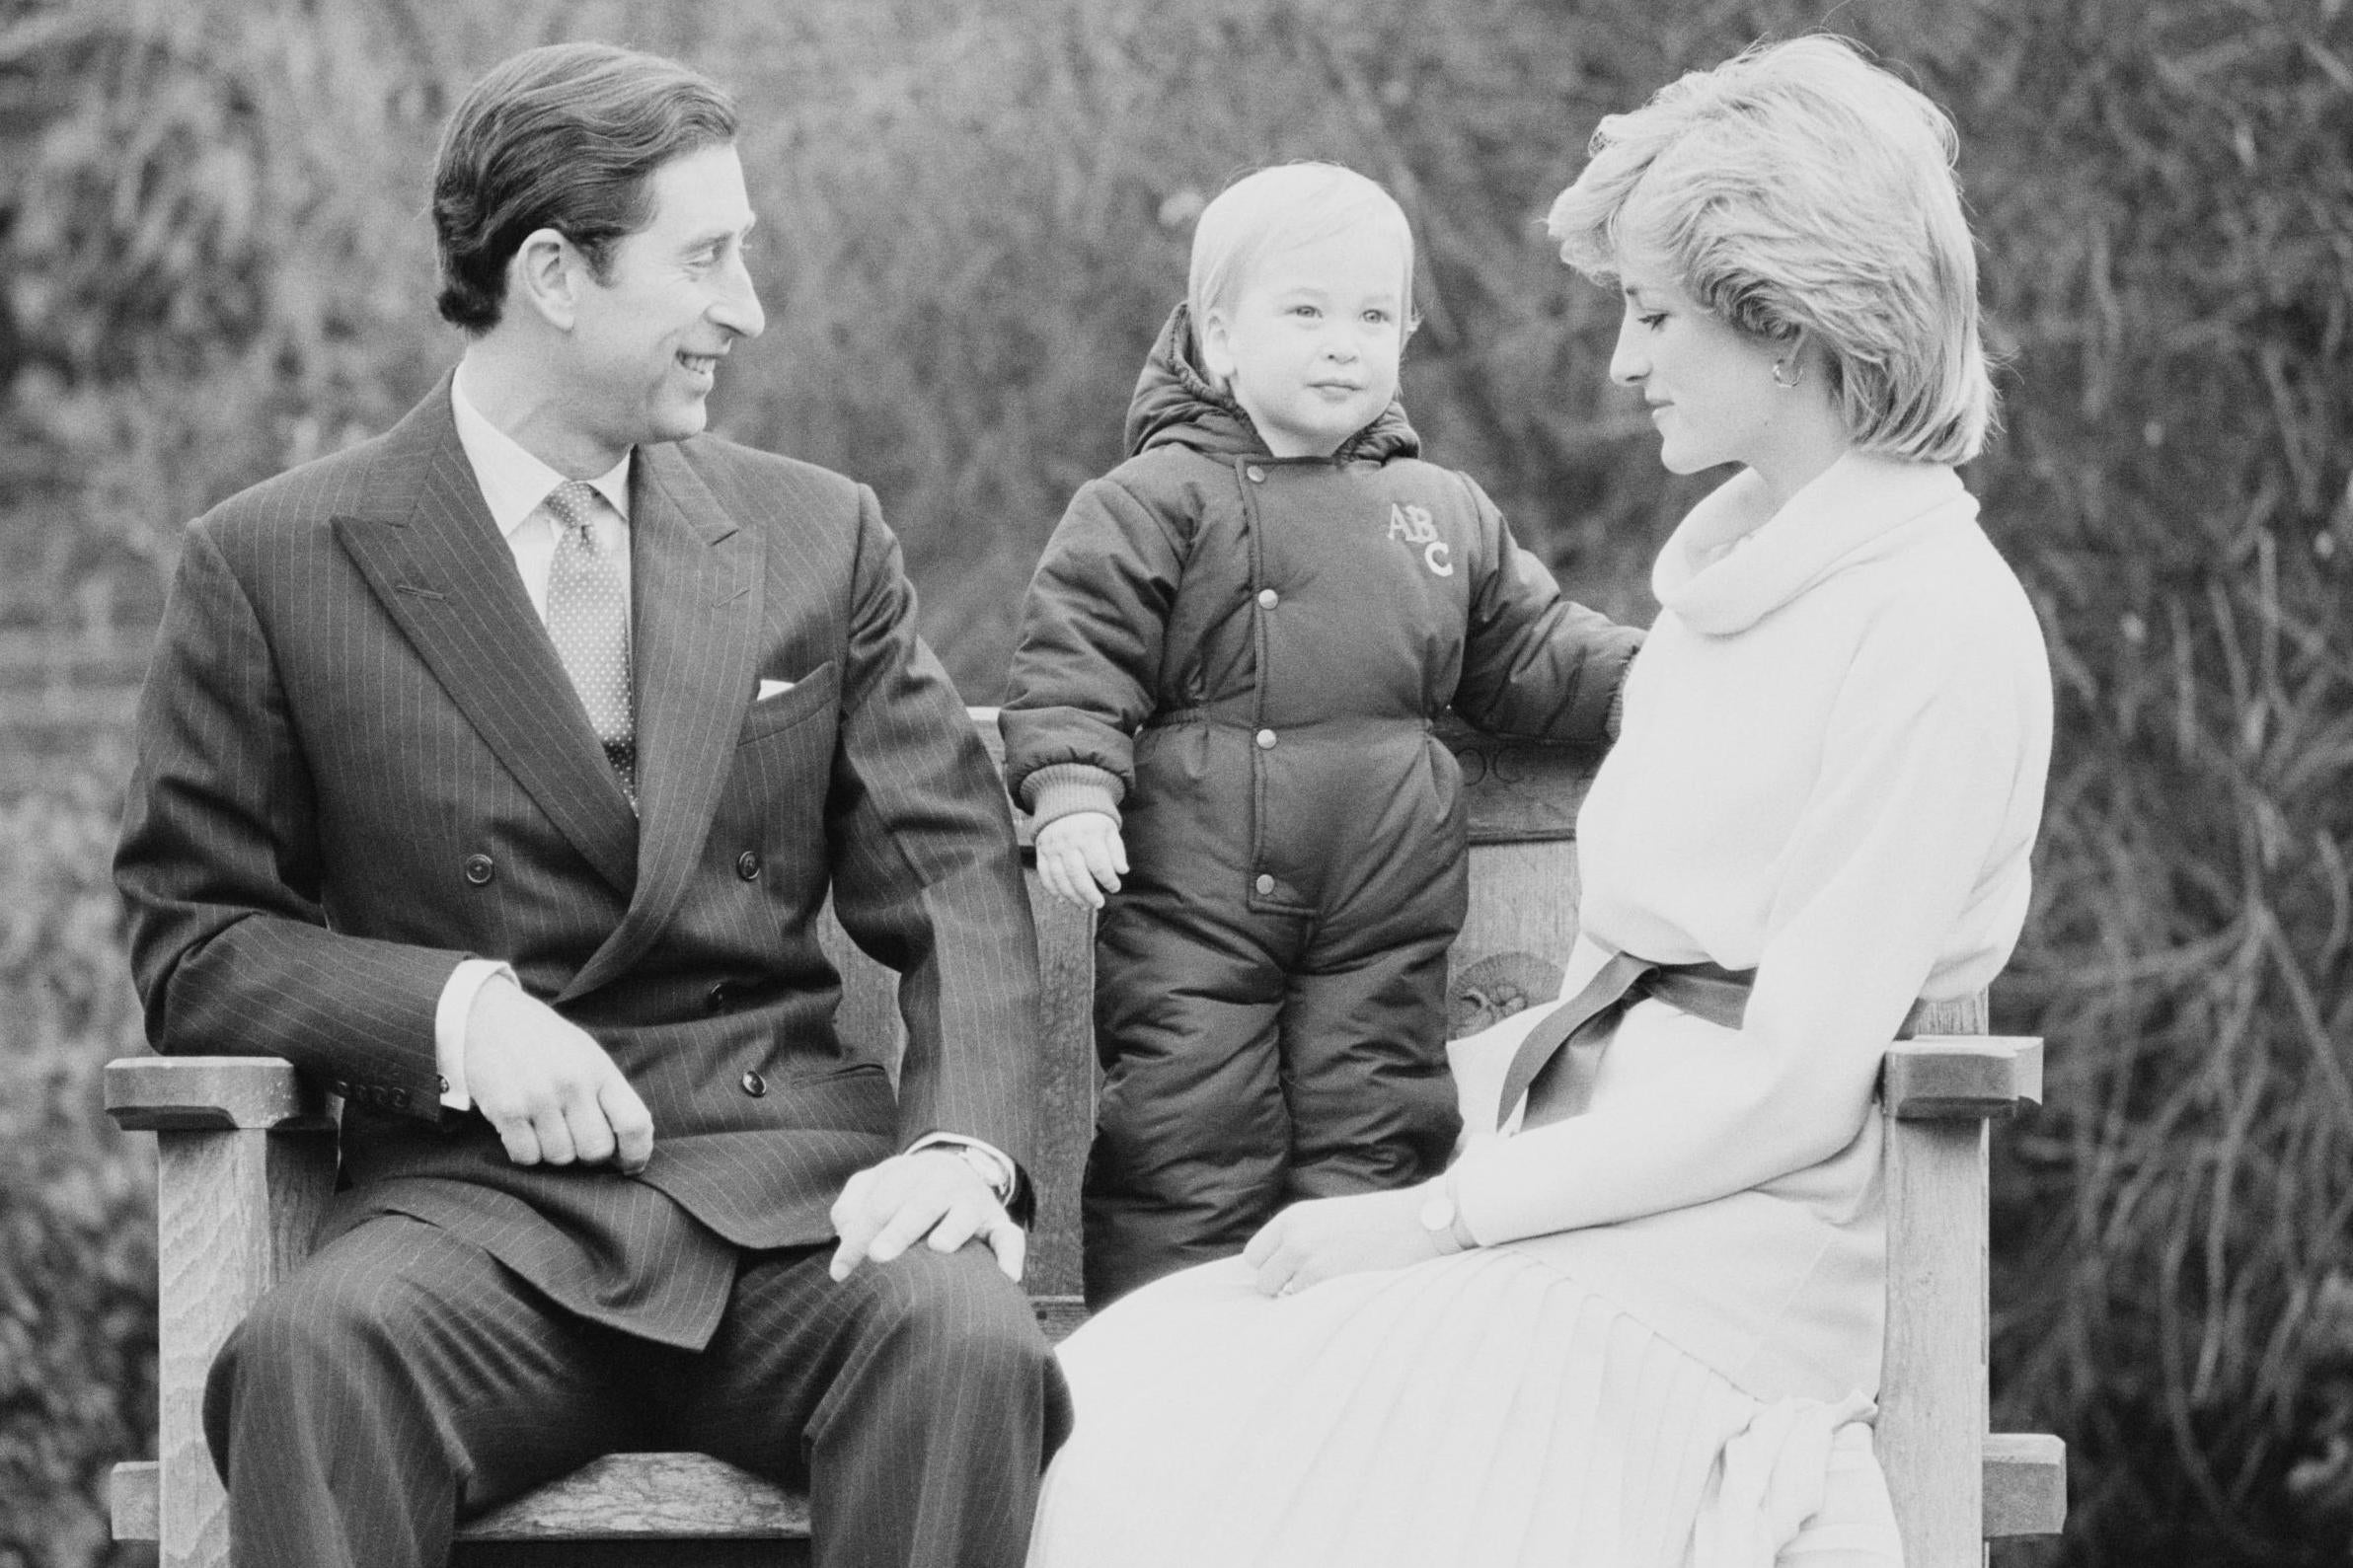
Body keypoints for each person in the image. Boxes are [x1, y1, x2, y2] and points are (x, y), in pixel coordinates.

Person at [1024, 36, 2052, 1568]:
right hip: (1575, 1191)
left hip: (1728, 1264)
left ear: (1786, 327)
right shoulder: (1735, 586)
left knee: (1168, 1451)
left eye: (1654, 316)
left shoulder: (1933, 627)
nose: (1624, 363)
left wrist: (1438, 1218)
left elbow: (1786, 1082)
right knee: (1095, 1388)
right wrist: (1455, 1157)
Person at [114, 41, 1065, 1568]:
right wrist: (454, 1015)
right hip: (475, 1223)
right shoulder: (274, 561)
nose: (744, 309)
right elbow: (195, 937)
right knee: (308, 1359)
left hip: (789, 1211)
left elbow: (952, 872)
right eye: (704, 260)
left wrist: (960, 1152)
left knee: (965, 1341)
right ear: (553, 272)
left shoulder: (817, 536)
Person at [999, 162, 1642, 1308]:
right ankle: (1169, 1365)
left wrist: (1668, 682)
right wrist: (1073, 791)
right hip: (1195, 909)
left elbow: (1535, 651)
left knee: (1376, 1127)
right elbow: (1073, 660)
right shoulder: (1150, 500)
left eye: (1372, 316)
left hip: (1380, 912)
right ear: (1218, 335)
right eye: (1304, 312)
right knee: (1185, 1133)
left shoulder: (1439, 513)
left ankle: (1350, 1365)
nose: (1342, 343)